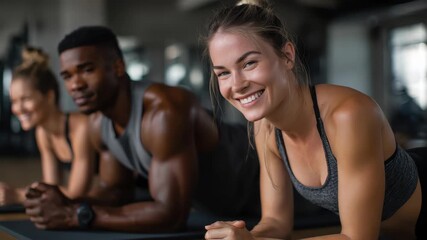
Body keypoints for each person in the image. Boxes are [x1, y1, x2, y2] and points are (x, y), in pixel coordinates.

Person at [203, 0, 426, 239]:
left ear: (287, 56)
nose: (237, 85)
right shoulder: (264, 128)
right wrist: (243, 236)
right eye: (223, 73)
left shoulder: (349, 115)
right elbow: (276, 223)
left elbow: (358, 238)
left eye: (249, 63)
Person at [23, 26, 260, 233]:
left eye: (87, 70)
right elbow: (115, 193)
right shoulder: (98, 123)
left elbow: (171, 216)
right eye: (67, 75)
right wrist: (63, 202)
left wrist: (72, 215)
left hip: (272, 191)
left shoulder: (164, 110)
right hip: (226, 216)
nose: (75, 84)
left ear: (117, 67)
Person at [0, 47, 97, 206]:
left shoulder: (80, 127)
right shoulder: (43, 133)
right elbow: (52, 190)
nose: (17, 108)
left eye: (25, 99)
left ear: (50, 96)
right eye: (14, 101)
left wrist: (17, 195)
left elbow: (76, 193)